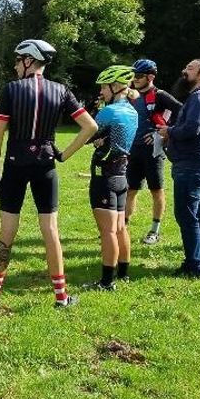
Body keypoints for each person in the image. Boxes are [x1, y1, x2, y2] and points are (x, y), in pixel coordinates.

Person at [0, 39, 98, 310]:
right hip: (46, 165)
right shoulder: (61, 90)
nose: (14, 65)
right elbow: (90, 126)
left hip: (15, 164)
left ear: (28, 60)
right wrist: (64, 155)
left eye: (17, 59)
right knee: (51, 230)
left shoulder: (12, 90)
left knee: (8, 230)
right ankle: (61, 296)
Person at [156, 59, 200, 279]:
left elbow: (193, 128)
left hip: (192, 163)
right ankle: (199, 261)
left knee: (187, 214)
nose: (185, 71)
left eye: (190, 68)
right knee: (196, 214)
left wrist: (169, 131)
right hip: (197, 162)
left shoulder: (199, 97)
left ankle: (195, 266)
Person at [84, 66, 139, 291]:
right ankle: (123, 274)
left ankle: (107, 282)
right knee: (120, 228)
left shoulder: (109, 112)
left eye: (104, 87)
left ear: (115, 87)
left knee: (107, 231)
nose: (101, 92)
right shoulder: (133, 112)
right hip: (121, 175)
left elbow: (89, 135)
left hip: (103, 176)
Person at [125, 58, 182, 245]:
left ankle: (155, 230)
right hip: (132, 150)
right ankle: (122, 227)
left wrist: (163, 133)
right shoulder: (130, 95)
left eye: (139, 76)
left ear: (150, 76)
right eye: (133, 75)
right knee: (130, 190)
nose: (135, 79)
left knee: (156, 190)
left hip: (153, 151)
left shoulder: (160, 95)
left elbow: (183, 112)